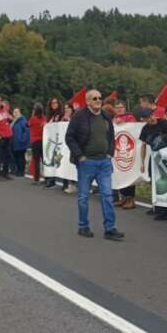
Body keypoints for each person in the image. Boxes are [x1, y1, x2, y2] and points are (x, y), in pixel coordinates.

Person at [65, 90, 124, 241]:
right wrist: (80, 155)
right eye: (95, 98)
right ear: (88, 101)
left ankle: (110, 229)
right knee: (83, 197)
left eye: (100, 98)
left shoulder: (105, 115)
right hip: (87, 163)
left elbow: (111, 136)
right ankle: (83, 226)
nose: (98, 100)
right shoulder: (79, 116)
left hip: (104, 162)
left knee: (107, 196)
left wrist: (110, 152)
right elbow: (69, 137)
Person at [28, 103, 47, 183]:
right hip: (43, 141)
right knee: (44, 160)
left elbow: (28, 125)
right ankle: (47, 178)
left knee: (36, 160)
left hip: (35, 141)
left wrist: (33, 115)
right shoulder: (44, 118)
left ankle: (36, 178)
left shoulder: (32, 119)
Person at [11, 107, 30, 178]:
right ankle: (18, 170)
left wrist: (23, 139)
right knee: (16, 157)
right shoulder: (14, 121)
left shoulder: (23, 121)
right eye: (14, 112)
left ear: (20, 113)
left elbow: (27, 131)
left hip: (21, 142)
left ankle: (21, 171)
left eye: (16, 112)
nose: (15, 113)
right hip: (14, 142)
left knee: (21, 157)